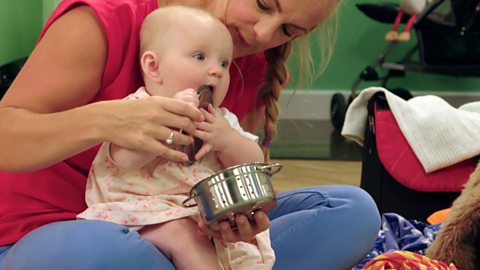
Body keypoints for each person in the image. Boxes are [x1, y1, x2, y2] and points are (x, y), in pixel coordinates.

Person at [0, 0, 381, 269]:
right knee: (82, 254)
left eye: (288, 30)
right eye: (264, 4)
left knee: (354, 210)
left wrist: (239, 219)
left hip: (198, 240)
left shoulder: (236, 66)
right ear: (152, 64)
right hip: (58, 236)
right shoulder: (106, 18)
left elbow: (235, 172)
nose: (263, 33)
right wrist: (110, 121)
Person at [77, 5, 273, 270]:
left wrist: (228, 141)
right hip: (142, 216)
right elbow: (124, 160)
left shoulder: (221, 121)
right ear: (153, 66)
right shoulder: (139, 108)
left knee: (247, 259)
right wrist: (170, 129)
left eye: (224, 63)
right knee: (191, 241)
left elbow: (254, 163)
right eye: (200, 56)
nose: (216, 70)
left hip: (205, 221)